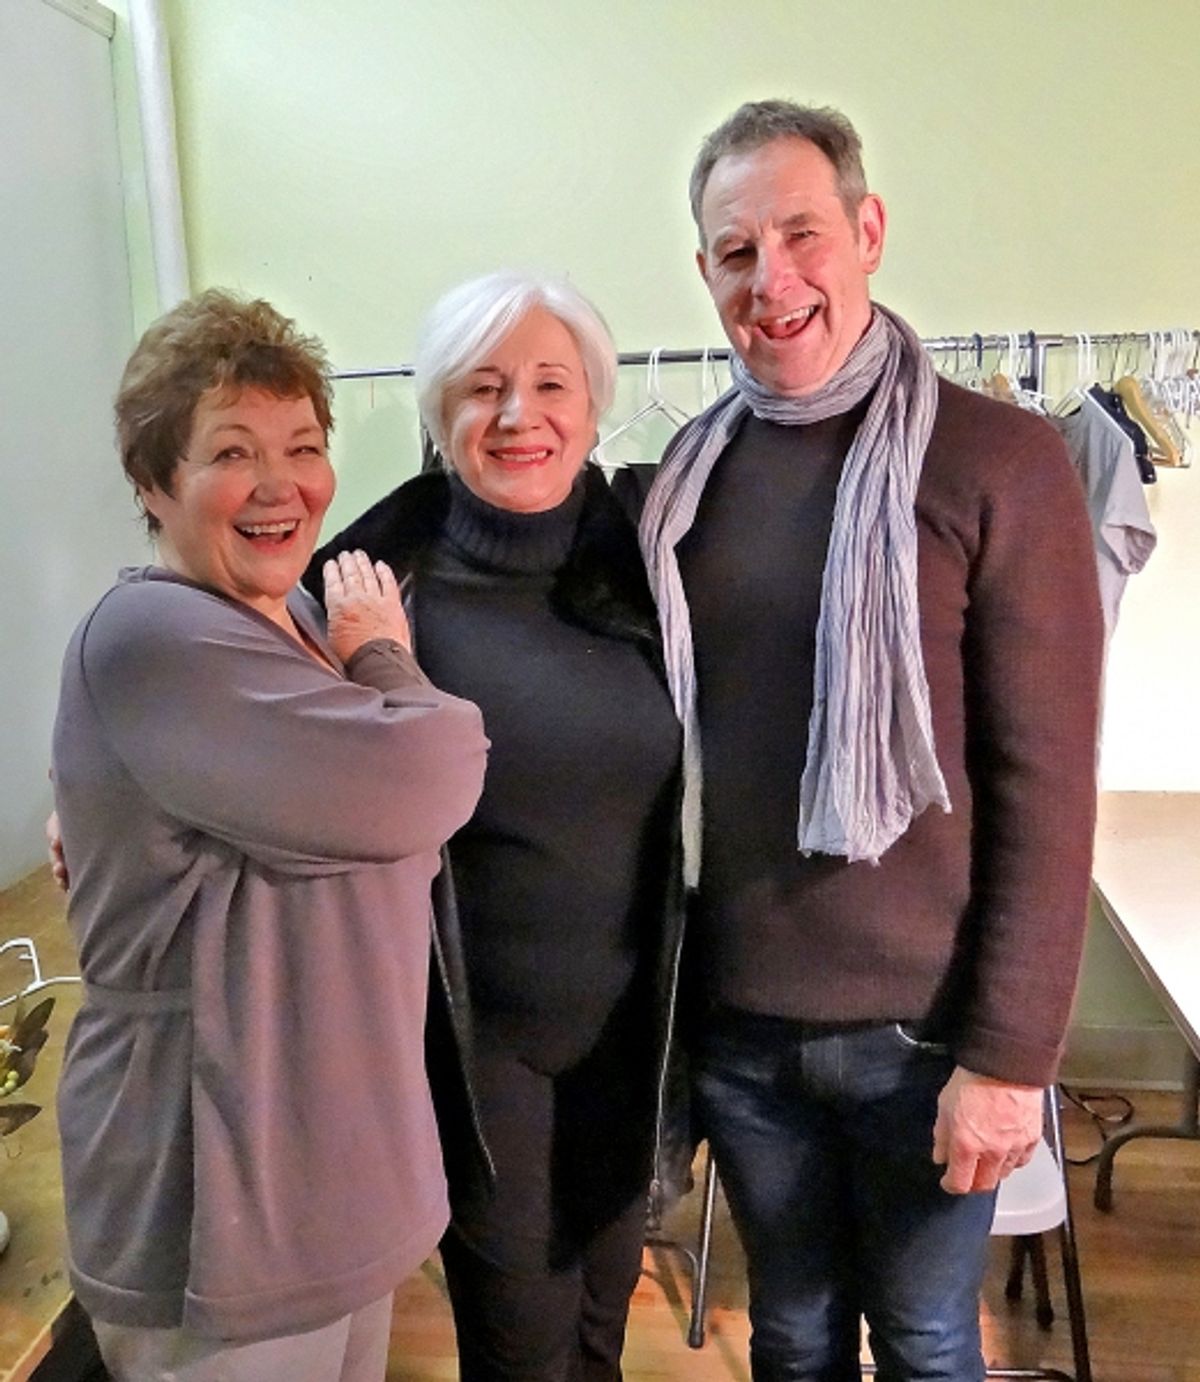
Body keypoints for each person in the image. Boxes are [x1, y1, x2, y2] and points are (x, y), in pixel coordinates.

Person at [639, 100, 1104, 1381]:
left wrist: (1011, 1058)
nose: (771, 279)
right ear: (704, 273)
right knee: (789, 1335)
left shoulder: (999, 459)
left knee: (925, 1338)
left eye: (801, 234)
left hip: (929, 1036)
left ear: (868, 231)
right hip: (744, 1032)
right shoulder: (687, 474)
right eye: (736, 251)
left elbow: (1050, 784)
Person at [50, 289, 488, 1382]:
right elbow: (434, 776)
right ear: (155, 483)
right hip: (214, 1201)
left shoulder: (289, 623)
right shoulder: (153, 632)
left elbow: (393, 831)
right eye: (232, 451)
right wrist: (385, 659)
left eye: (302, 445)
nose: (280, 483)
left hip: (330, 1180)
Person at [304, 271, 683, 1382]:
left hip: (634, 1033)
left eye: (550, 382)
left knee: (600, 1338)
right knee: (520, 1347)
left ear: (595, 402)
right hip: (473, 1049)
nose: (520, 415)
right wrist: (92, 787)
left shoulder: (656, 568)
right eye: (484, 387)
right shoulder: (369, 588)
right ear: (438, 412)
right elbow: (226, 693)